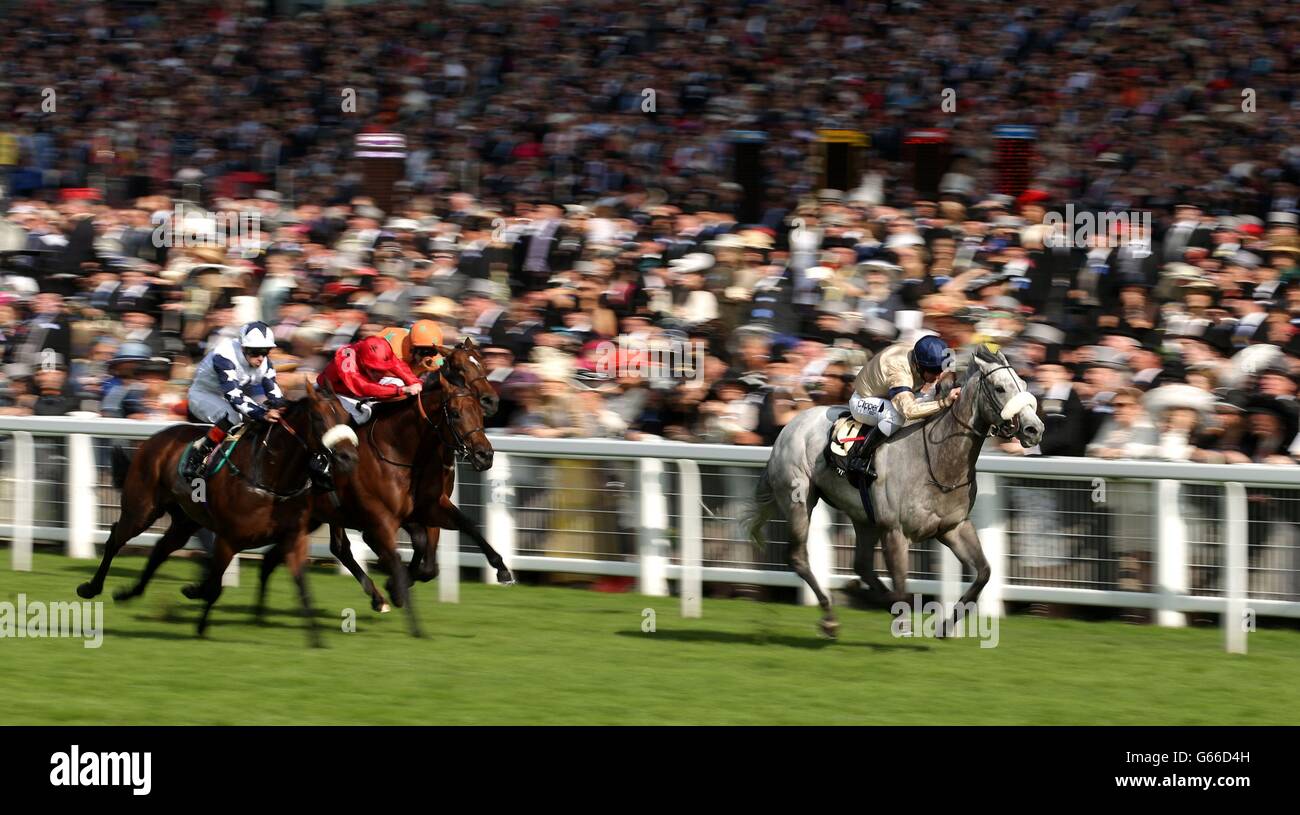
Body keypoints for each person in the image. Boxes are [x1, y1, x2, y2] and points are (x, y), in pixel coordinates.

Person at [844, 333, 961, 481]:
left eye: (940, 371)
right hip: (863, 400)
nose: (938, 376)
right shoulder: (900, 372)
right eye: (934, 372)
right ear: (920, 366)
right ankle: (860, 458)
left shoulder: (920, 356)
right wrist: (943, 403)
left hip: (888, 394)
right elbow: (909, 411)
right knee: (896, 416)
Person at [182, 321, 287, 479]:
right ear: (243, 347)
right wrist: (261, 413)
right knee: (233, 416)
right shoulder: (224, 355)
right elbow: (234, 395)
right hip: (202, 394)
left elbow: (274, 393)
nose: (260, 357)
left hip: (226, 396)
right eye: (255, 351)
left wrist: (282, 408)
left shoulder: (264, 362)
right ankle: (197, 457)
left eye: (265, 351)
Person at [319, 334, 423, 422]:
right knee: (363, 413)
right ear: (363, 363)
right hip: (335, 393)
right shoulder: (346, 358)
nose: (380, 374)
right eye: (374, 370)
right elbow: (362, 387)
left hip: (359, 390)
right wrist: (400, 390)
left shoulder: (382, 349)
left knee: (400, 382)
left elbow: (399, 367)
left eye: (382, 370)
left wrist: (415, 383)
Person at [377, 319, 445, 377]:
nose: (427, 356)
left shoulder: (436, 359)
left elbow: (443, 363)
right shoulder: (396, 352)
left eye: (432, 351)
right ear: (412, 348)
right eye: (423, 351)